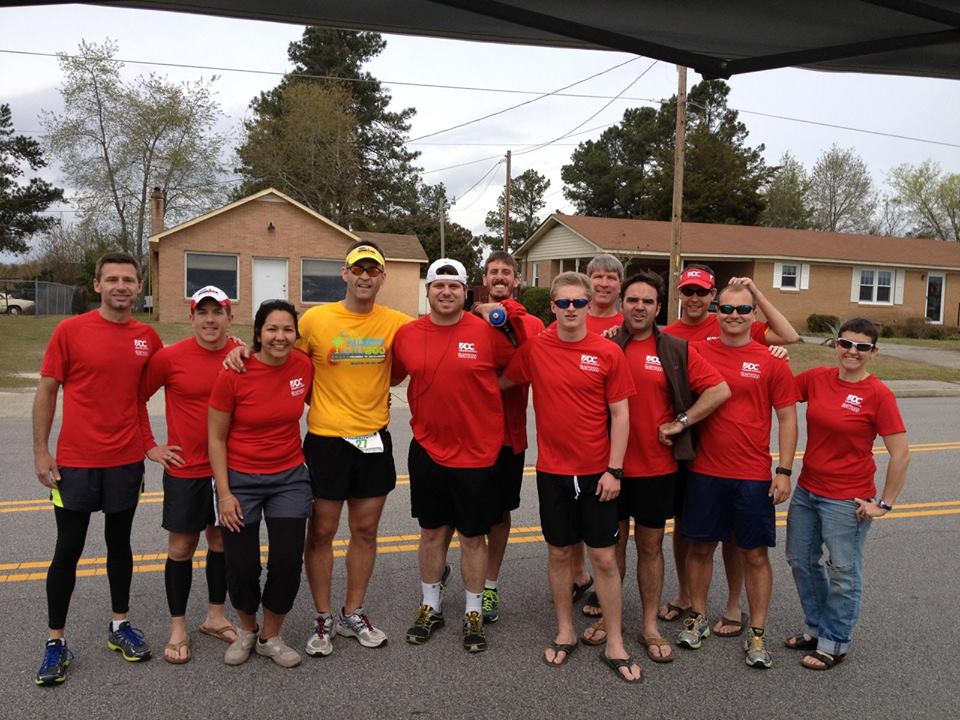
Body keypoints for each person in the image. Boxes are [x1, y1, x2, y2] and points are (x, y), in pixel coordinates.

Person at [579, 271, 730, 662]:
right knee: (610, 550)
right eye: (632, 300)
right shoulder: (603, 344)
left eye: (647, 301)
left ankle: (648, 623)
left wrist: (682, 422)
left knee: (649, 547)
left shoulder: (675, 349)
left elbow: (718, 389)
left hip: (656, 469)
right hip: (607, 467)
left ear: (659, 308)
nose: (639, 307)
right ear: (621, 304)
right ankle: (607, 621)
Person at [502, 271, 642, 683]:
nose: (570, 310)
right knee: (560, 554)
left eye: (577, 303)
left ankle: (615, 641)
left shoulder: (607, 352)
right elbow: (501, 380)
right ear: (553, 306)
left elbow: (621, 414)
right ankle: (566, 630)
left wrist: (615, 469)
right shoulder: (536, 347)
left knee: (602, 558)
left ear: (588, 305)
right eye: (562, 303)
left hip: (598, 472)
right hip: (552, 472)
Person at [34, 252, 160, 686]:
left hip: (125, 462)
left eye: (129, 279)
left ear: (140, 286)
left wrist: (235, 351)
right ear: (97, 285)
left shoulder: (148, 337)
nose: (121, 286)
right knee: (67, 551)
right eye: (112, 279)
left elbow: (176, 374)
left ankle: (119, 626)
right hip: (75, 464)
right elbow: (47, 391)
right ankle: (55, 642)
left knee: (119, 545)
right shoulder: (70, 331)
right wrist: (40, 451)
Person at [661, 264, 800, 639]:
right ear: (715, 312)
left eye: (743, 310)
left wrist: (784, 471)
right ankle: (697, 616)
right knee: (700, 546)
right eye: (727, 309)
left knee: (750, 552)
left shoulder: (772, 359)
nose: (734, 316)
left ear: (753, 315)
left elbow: (787, 419)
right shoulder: (695, 351)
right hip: (704, 469)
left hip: (753, 474)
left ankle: (752, 627)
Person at [392, 258, 515, 653]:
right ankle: (430, 606)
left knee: (473, 537)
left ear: (466, 292)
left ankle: (473, 611)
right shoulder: (407, 334)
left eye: (454, 286)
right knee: (431, 533)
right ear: (427, 290)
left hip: (478, 453)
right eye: (438, 285)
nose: (446, 292)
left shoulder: (487, 331)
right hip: (427, 448)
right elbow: (389, 375)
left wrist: (486, 390)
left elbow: (522, 365)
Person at [296, 242, 412, 656]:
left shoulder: (397, 322)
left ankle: (353, 612)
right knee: (322, 531)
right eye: (357, 269)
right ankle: (323, 617)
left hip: (373, 439)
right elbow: (288, 365)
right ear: (344, 273)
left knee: (365, 531)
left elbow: (416, 356)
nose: (365, 276)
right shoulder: (315, 319)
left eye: (373, 270)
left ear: (383, 278)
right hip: (326, 439)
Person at [784, 318, 909, 670]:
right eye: (845, 343)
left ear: (873, 352)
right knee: (800, 560)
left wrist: (883, 503)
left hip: (847, 498)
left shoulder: (878, 394)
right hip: (808, 490)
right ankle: (817, 628)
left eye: (862, 346)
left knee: (842, 570)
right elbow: (778, 393)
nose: (852, 351)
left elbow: (900, 453)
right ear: (836, 344)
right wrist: (775, 355)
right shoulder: (817, 379)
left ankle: (835, 642)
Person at [208, 300, 314, 668]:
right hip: (240, 481)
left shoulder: (304, 366)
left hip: (289, 478)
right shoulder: (233, 373)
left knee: (286, 562)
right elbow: (216, 438)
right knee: (241, 565)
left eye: (287, 329)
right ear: (258, 333)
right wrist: (224, 494)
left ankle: (271, 636)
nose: (280, 337)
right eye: (272, 329)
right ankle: (247, 630)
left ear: (295, 335)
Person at [140, 286, 240, 664]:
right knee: (181, 548)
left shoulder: (240, 355)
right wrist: (150, 445)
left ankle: (215, 616)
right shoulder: (169, 358)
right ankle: (178, 625)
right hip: (185, 470)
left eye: (218, 312)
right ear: (192, 317)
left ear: (229, 318)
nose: (210, 319)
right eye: (203, 312)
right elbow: (137, 398)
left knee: (219, 544)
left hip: (229, 471)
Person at [475, 250, 545, 624]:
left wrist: (501, 313)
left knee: (500, 516)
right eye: (493, 272)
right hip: (468, 435)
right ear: (484, 279)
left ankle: (489, 585)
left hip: (507, 437)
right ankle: (453, 572)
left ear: (517, 281)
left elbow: (530, 362)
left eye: (506, 272)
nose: (499, 277)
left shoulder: (530, 322)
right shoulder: (469, 320)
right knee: (465, 516)